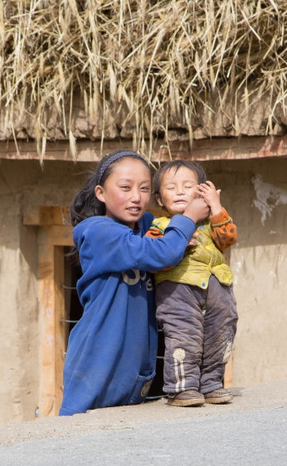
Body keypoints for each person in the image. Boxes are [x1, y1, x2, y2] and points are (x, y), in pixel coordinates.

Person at [59, 150, 210, 416]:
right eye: (125, 188)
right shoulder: (98, 231)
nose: (136, 197)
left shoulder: (149, 226)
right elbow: (163, 252)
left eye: (143, 189)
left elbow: (170, 244)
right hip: (97, 359)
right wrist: (188, 219)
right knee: (77, 437)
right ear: (100, 193)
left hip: (134, 368)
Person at [146, 160, 238, 407]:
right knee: (185, 335)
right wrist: (174, 246)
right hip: (178, 290)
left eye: (188, 186)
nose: (179, 191)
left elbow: (228, 239)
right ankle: (181, 388)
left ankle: (211, 385)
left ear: (200, 193)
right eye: (171, 187)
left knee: (221, 332)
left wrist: (216, 207)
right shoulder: (160, 226)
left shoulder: (211, 223)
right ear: (159, 198)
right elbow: (153, 258)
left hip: (218, 288)